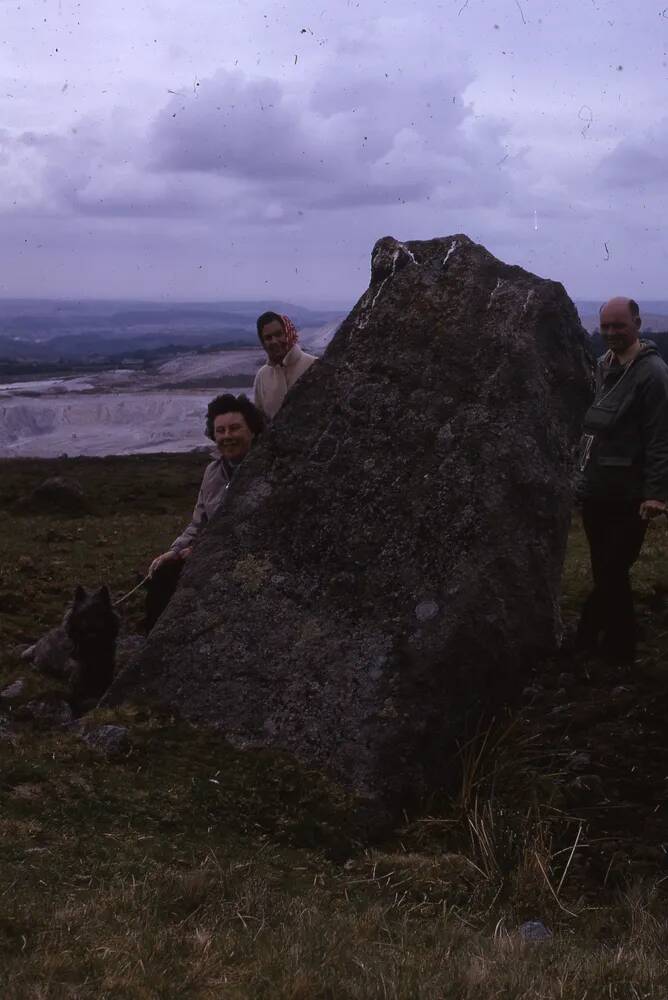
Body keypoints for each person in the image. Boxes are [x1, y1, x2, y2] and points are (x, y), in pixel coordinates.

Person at [576, 296, 668, 666]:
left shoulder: (654, 374)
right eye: (606, 327)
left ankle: (612, 648)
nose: (612, 333)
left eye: (620, 326)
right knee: (606, 570)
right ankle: (604, 643)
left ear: (637, 324)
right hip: (597, 488)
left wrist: (656, 494)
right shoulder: (601, 366)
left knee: (613, 570)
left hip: (631, 495)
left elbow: (661, 438)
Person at [145, 393, 264, 630]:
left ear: (252, 430)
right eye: (221, 431)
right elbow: (198, 523)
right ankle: (155, 641)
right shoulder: (213, 472)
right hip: (206, 553)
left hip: (247, 560)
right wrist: (176, 550)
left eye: (235, 428)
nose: (227, 436)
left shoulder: (265, 468)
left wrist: (203, 550)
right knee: (162, 574)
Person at [253, 311, 317, 420]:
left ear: (288, 333)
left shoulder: (313, 365)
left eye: (278, 334)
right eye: (268, 338)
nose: (274, 341)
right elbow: (259, 419)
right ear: (263, 342)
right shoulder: (262, 376)